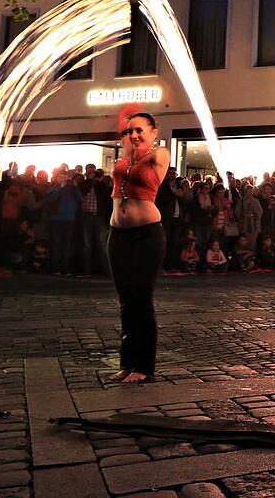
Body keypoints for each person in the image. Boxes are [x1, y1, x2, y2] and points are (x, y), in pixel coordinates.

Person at [108, 106, 169, 383]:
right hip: (118, 235)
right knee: (125, 300)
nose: (133, 135)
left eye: (139, 130)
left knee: (141, 298)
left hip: (147, 235)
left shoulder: (159, 155)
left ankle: (144, 366)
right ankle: (127, 362)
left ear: (153, 132)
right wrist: (128, 138)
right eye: (129, 131)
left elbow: (156, 155)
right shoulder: (125, 159)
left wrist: (140, 145)